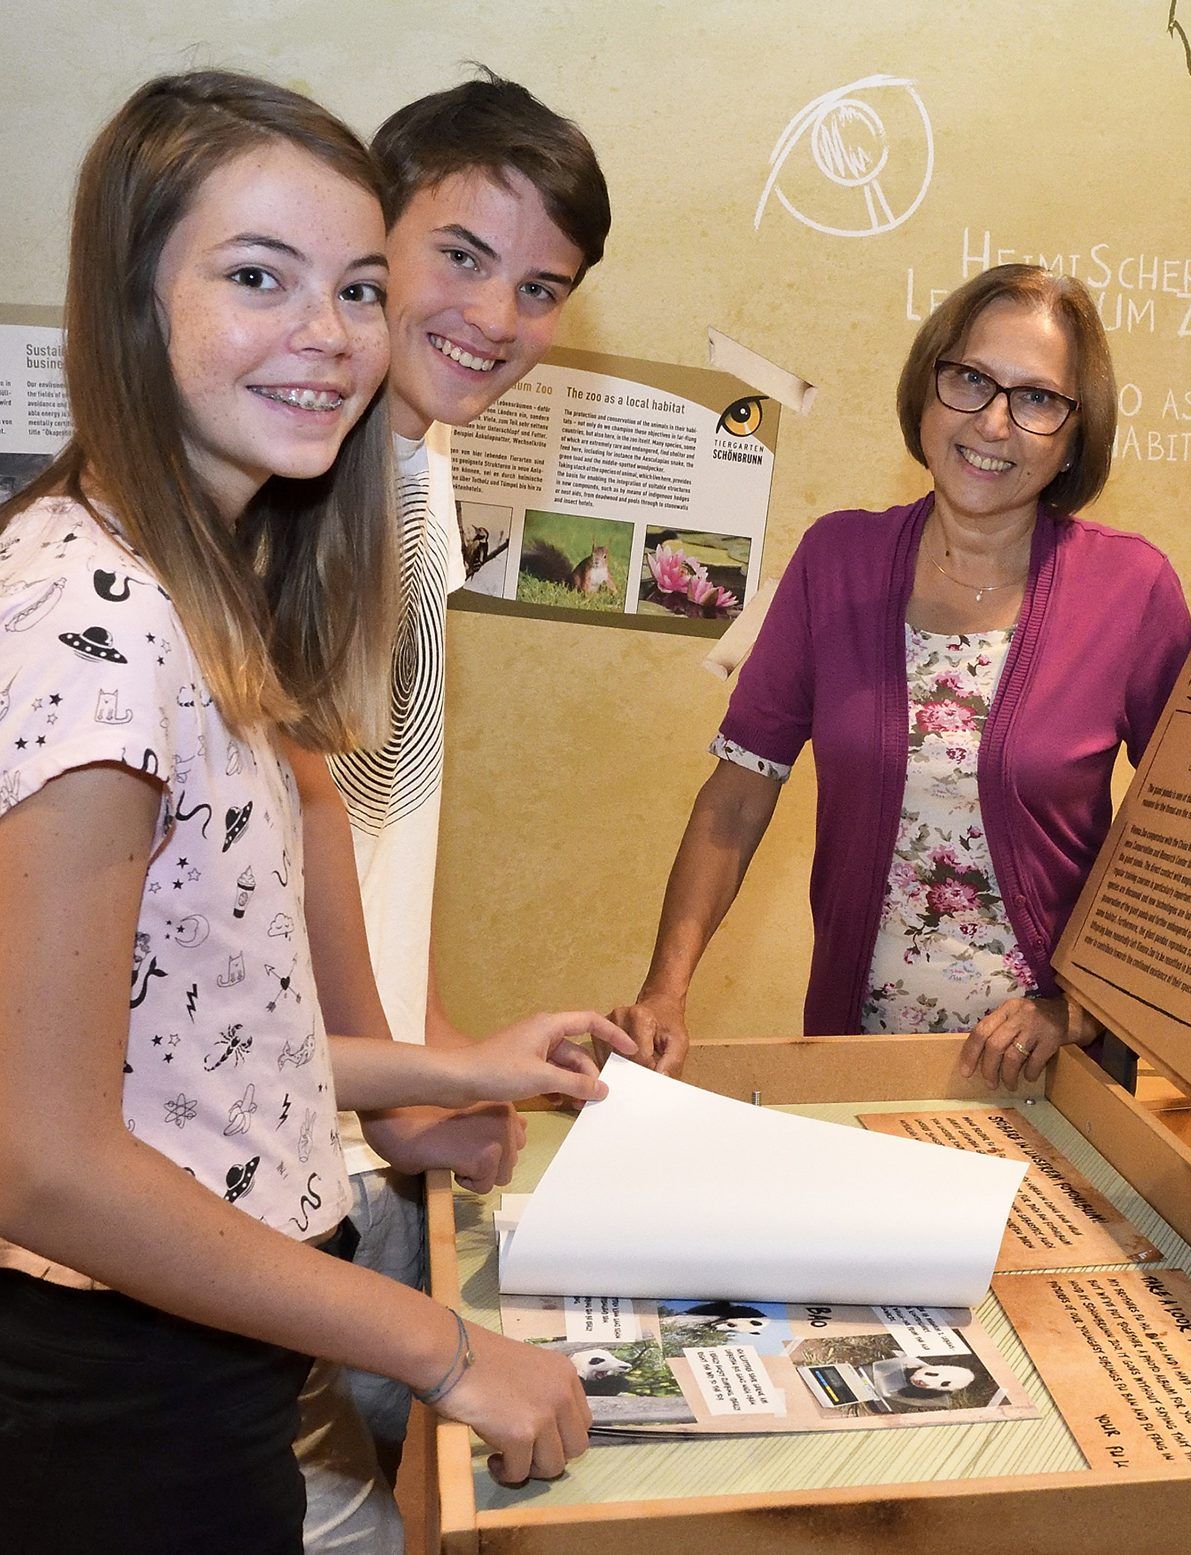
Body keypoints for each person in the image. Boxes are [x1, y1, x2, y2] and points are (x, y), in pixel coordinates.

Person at [0, 71, 630, 1555]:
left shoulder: (184, 587)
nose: (329, 334)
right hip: (112, 1386)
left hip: (204, 1352)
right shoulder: (94, 615)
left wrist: (445, 1059)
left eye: (353, 288)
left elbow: (194, 1033)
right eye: (255, 278)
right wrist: (447, 1347)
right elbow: (46, 1156)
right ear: (128, 298)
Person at [279, 70, 613, 1553]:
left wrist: (426, 1051)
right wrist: (404, 1089)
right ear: (374, 230)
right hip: (303, 1137)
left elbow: (362, 793)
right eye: (461, 256)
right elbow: (300, 803)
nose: (495, 314)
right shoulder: (326, 466)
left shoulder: (414, 456)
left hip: (339, 1098)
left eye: (538, 284)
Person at [613, 264, 1191, 1087]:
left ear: (1073, 434)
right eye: (969, 379)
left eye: (1035, 399)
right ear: (927, 391)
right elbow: (738, 793)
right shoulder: (835, 560)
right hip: (863, 1059)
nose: (992, 422)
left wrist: (1079, 1007)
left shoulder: (1131, 590)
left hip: (1054, 1075)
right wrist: (664, 991)